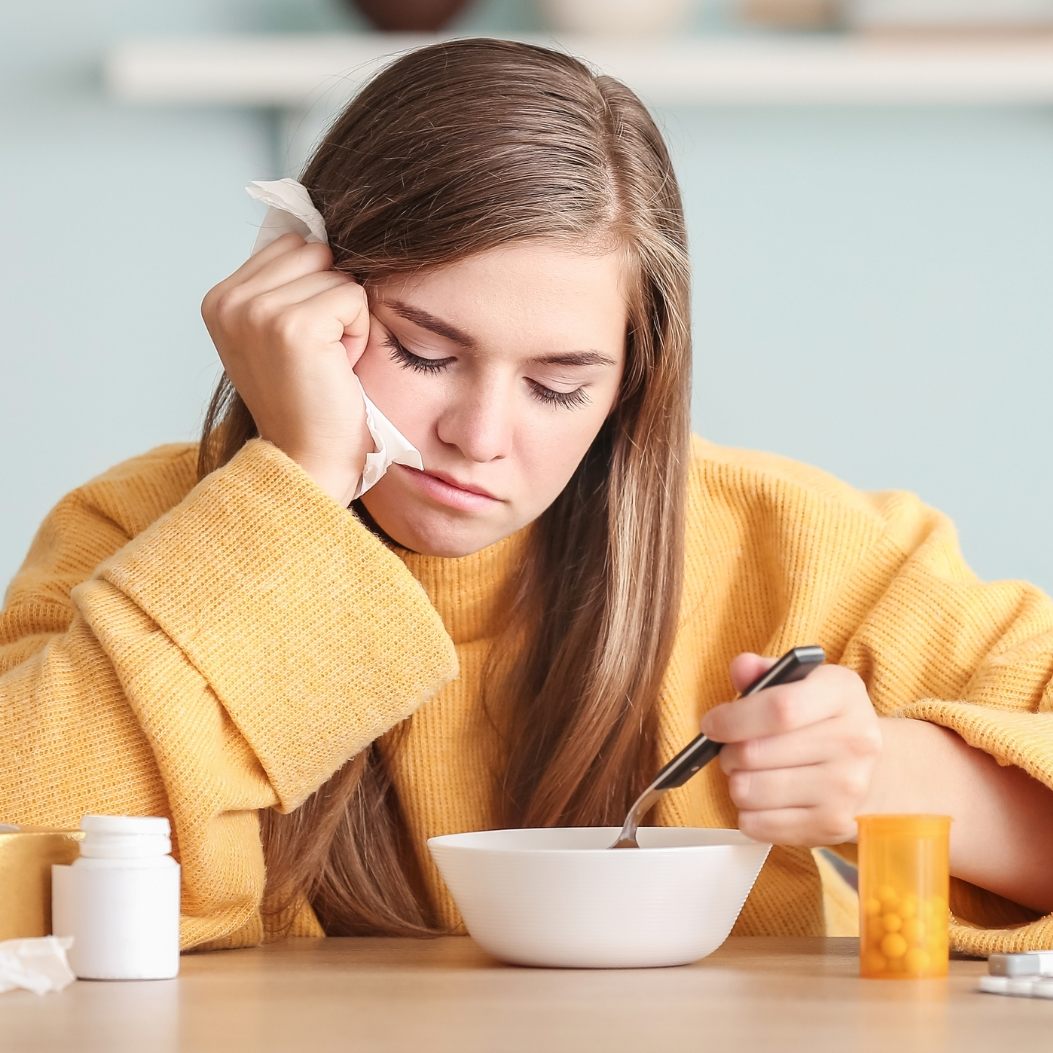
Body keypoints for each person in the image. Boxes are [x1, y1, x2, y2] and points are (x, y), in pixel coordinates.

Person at [2, 38, 1052, 955]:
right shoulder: (137, 535)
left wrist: (896, 784)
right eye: (420, 351)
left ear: (633, 380)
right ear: (299, 303)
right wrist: (299, 490)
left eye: (560, 385)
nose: (480, 436)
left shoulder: (792, 543)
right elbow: (20, 860)